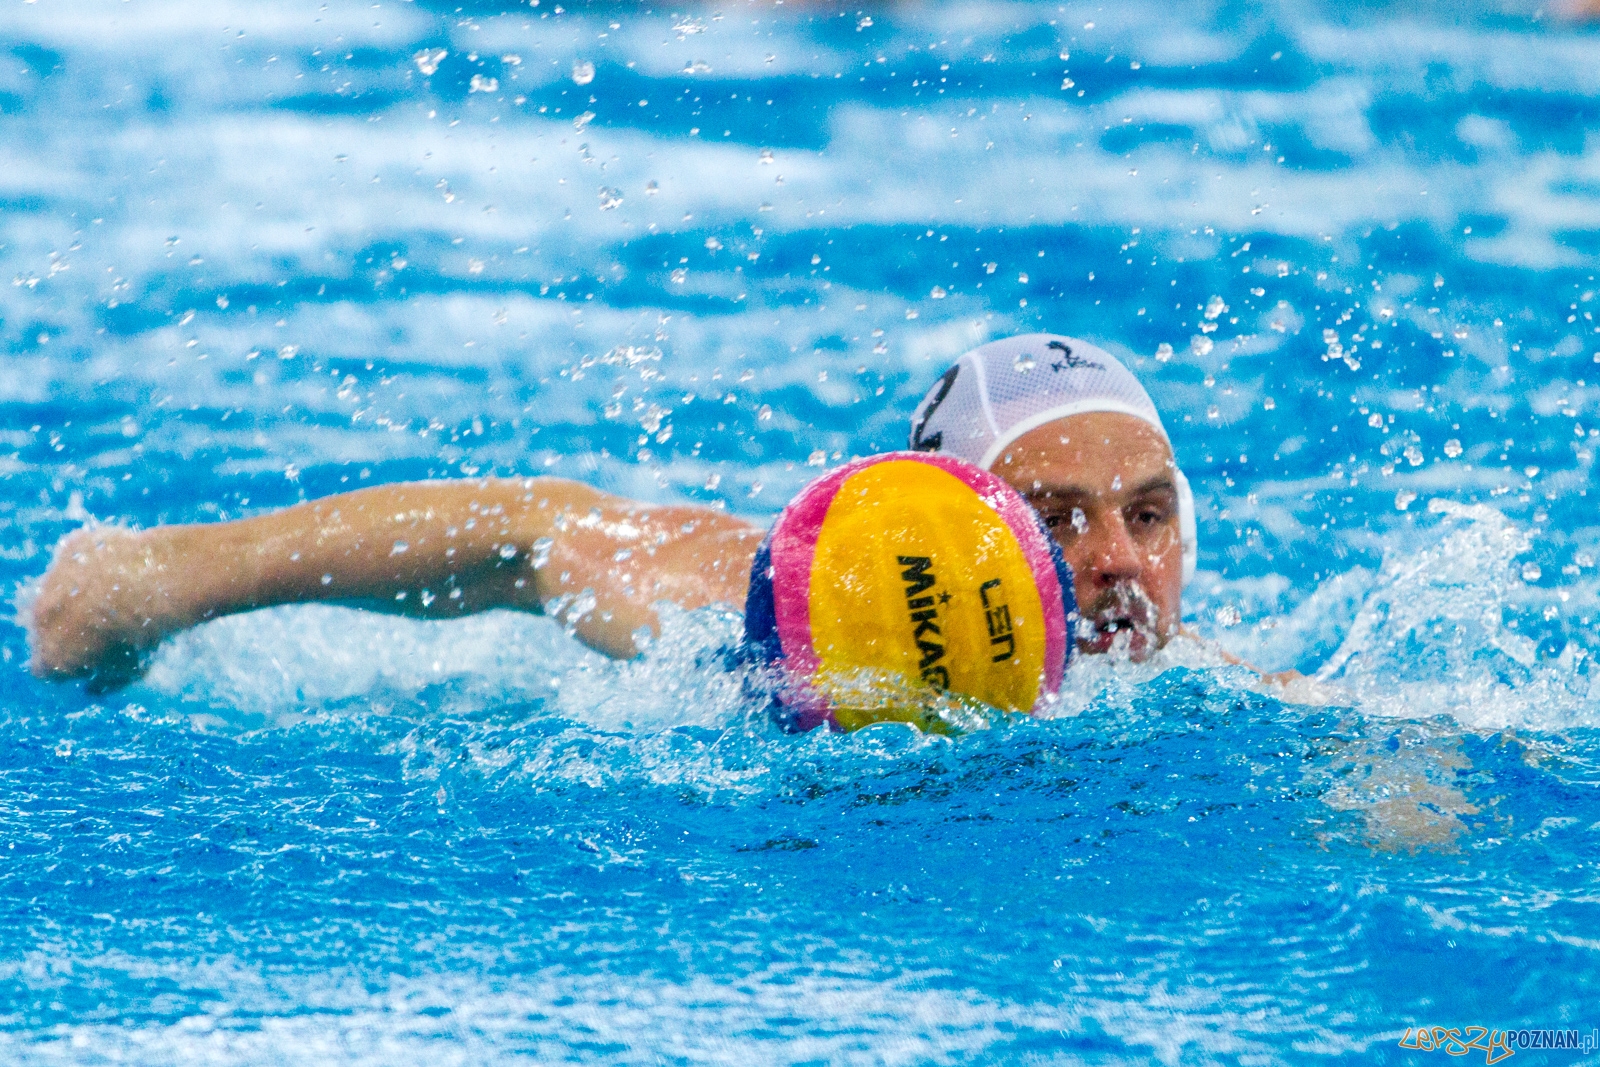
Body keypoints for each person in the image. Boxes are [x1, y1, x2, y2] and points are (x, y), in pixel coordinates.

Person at [27, 334, 1212, 691]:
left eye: (1148, 514)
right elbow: (536, 529)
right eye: (1057, 517)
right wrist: (160, 582)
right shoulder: (757, 620)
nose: (1117, 562)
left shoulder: (1194, 694)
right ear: (955, 521)